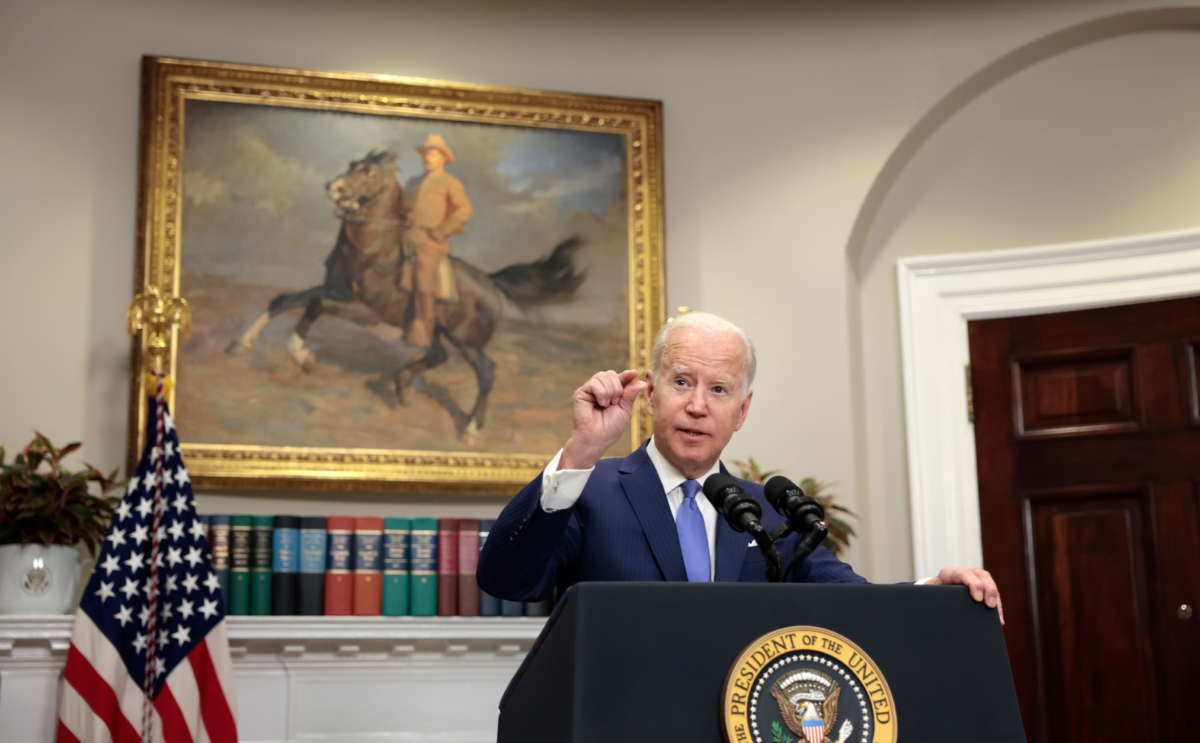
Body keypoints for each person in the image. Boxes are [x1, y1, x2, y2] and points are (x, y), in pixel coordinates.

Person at [476, 312, 1003, 622]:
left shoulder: (765, 513)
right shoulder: (591, 490)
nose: (698, 405)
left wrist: (933, 592)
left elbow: (851, 603)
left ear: (742, 411)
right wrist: (581, 451)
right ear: (652, 394)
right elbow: (507, 579)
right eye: (682, 382)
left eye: (720, 389)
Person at [402, 134, 474, 347]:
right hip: (407, 236)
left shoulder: (449, 182)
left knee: (423, 273)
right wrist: (406, 215)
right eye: (425, 153)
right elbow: (404, 207)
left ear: (443, 157)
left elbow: (465, 210)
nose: (427, 157)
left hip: (431, 242)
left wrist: (442, 230)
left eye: (432, 153)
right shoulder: (413, 182)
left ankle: (425, 328)